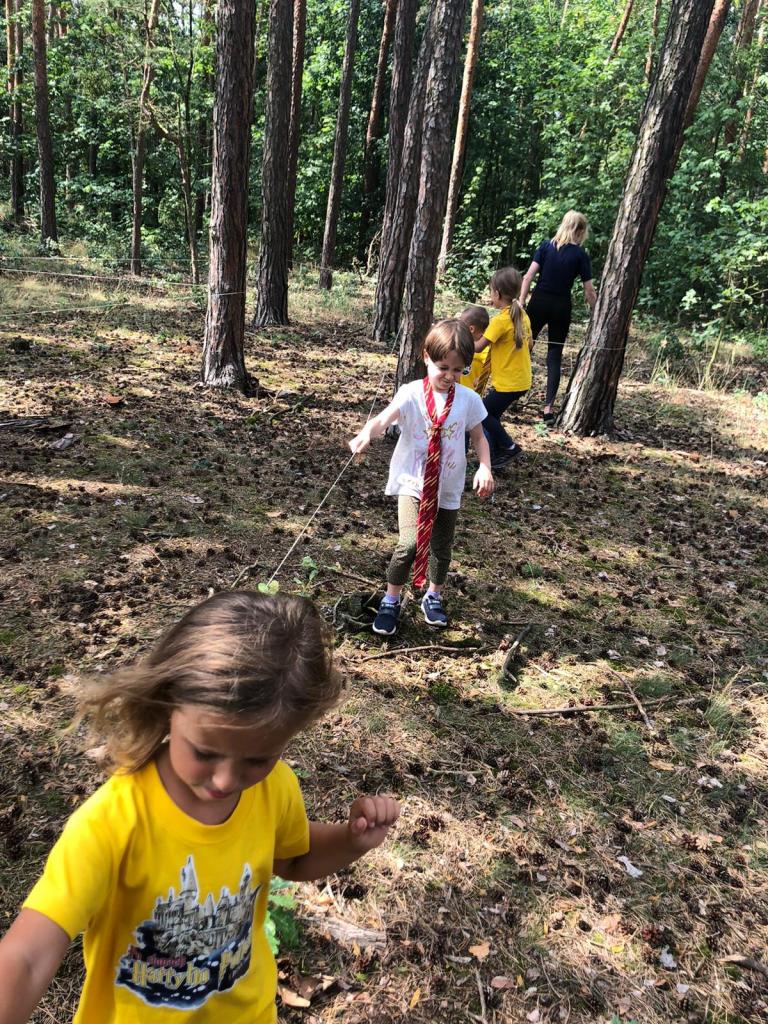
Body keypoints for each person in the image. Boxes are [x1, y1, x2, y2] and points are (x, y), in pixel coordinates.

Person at [0, 591, 400, 1024]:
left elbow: (293, 858)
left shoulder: (275, 788)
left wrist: (349, 841)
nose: (226, 781)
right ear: (168, 705)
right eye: (205, 752)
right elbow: (29, 955)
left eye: (257, 760)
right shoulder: (113, 822)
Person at [349, 319, 493, 636]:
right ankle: (391, 599)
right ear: (426, 357)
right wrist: (366, 434)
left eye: (458, 370)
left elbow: (480, 437)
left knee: (442, 546)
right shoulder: (412, 393)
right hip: (412, 483)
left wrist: (485, 466)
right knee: (409, 543)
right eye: (443, 368)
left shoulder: (469, 400)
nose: (450, 376)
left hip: (448, 486)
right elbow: (383, 419)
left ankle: (433, 595)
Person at [519, 210, 598, 423]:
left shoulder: (546, 247)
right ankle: (548, 409)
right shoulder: (580, 255)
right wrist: (596, 313)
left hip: (539, 302)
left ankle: (511, 390)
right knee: (554, 355)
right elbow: (589, 291)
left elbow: (528, 276)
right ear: (580, 231)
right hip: (561, 307)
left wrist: (521, 301)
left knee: (524, 347)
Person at [473, 267, 533, 470]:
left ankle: (509, 447)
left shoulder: (500, 321)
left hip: (509, 384)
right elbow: (530, 344)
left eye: (491, 291)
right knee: (492, 416)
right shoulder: (522, 315)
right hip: (522, 380)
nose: (491, 295)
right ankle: (495, 455)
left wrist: (457, 339)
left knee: (482, 413)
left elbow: (478, 347)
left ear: (497, 293)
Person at [457, 305, 491, 395]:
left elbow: (493, 368)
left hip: (471, 394)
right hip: (456, 390)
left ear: (471, 329)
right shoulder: (460, 343)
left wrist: (481, 379)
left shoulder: (485, 350)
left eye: (461, 324)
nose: (458, 327)